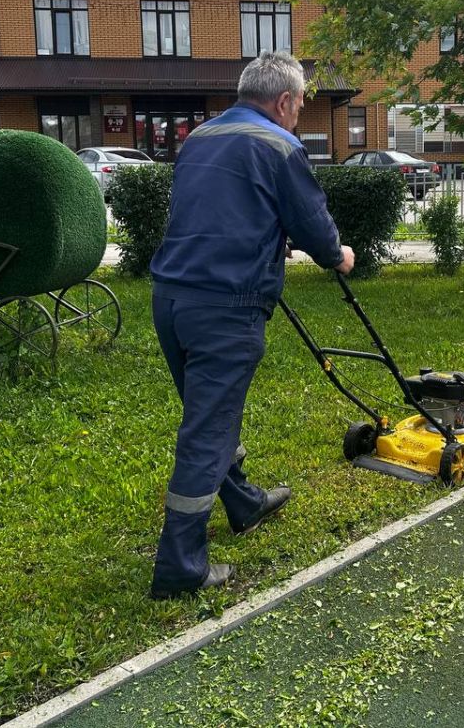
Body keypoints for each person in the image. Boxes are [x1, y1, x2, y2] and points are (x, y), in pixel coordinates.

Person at [148, 50, 354, 599]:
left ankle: (242, 502)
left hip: (171, 299)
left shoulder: (200, 137)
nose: (299, 115)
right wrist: (339, 256)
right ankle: (180, 567)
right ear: (284, 101)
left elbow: (216, 211)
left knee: (208, 414)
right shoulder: (279, 145)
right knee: (207, 431)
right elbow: (313, 226)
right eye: (301, 105)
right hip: (225, 307)